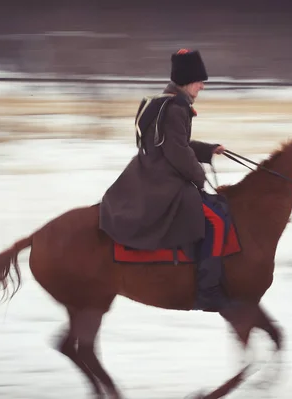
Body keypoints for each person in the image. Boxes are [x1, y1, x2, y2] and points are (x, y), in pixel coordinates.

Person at [99, 49, 231, 311]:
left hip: (148, 173)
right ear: (185, 80)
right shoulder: (176, 108)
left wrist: (206, 150)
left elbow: (172, 143)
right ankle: (207, 290)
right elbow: (176, 151)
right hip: (163, 182)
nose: (202, 86)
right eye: (198, 81)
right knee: (216, 221)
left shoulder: (163, 101)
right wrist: (199, 175)